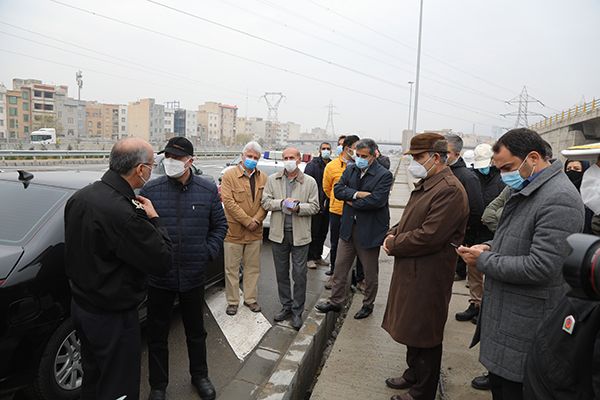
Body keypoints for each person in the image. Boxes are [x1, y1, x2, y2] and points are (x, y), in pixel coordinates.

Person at [457, 128, 585, 400]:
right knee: (501, 387)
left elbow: (542, 266)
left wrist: (484, 260)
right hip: (509, 317)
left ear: (533, 158)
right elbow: (518, 237)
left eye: (508, 167)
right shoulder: (530, 187)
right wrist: (489, 246)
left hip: (527, 324)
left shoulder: (559, 198)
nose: (504, 175)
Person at [64, 137, 172, 400]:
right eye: (151, 165)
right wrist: (154, 219)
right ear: (140, 169)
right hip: (112, 318)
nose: (152, 169)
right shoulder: (124, 213)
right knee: (118, 387)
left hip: (82, 308)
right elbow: (162, 260)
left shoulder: (80, 198)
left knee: (93, 379)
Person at [381, 133, 469, 400]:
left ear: (437, 158)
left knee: (426, 332)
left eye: (419, 157)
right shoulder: (430, 183)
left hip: (429, 274)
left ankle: (423, 390)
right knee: (412, 326)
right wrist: (393, 232)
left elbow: (430, 235)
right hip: (414, 269)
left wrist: (395, 243)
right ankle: (413, 374)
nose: (414, 163)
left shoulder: (449, 190)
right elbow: (410, 218)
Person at [141, 137, 228, 400]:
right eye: (167, 156)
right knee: (157, 334)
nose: (171, 162)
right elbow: (142, 231)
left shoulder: (207, 189)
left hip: (193, 274)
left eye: (177, 158)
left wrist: (207, 252)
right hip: (160, 277)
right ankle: (158, 386)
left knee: (196, 331)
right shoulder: (151, 190)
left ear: (190, 161)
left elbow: (220, 226)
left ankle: (200, 375)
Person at [315, 139, 394, 319]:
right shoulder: (351, 169)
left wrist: (351, 201)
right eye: (357, 155)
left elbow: (377, 201)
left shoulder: (384, 175)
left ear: (373, 155)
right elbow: (338, 190)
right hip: (348, 227)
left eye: (364, 156)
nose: (360, 159)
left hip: (369, 230)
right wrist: (358, 195)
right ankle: (335, 301)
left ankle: (368, 304)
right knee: (340, 267)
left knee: (369, 272)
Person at [262, 147, 319, 330]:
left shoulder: (309, 182)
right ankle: (286, 305)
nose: (288, 161)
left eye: (291, 157)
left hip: (300, 235)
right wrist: (281, 203)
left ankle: (297, 311)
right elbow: (265, 202)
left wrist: (298, 207)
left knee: (299, 275)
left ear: (299, 159)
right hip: (278, 234)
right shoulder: (273, 179)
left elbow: (315, 207)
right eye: (285, 158)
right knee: (281, 273)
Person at [456, 143, 505, 324]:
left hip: (493, 232)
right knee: (474, 271)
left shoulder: (502, 179)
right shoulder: (473, 177)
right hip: (475, 230)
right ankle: (475, 303)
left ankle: (487, 308)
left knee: (490, 273)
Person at [220, 141, 268, 316]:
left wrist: (257, 220)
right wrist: (248, 221)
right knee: (231, 269)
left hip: (255, 232)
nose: (252, 160)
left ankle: (250, 299)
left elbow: (266, 202)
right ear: (242, 156)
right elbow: (229, 202)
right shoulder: (229, 175)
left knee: (253, 268)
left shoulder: (263, 177)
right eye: (249, 156)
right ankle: (233, 302)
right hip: (234, 232)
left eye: (255, 157)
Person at [322, 135, 361, 288]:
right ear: (347, 149)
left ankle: (355, 277)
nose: (358, 151)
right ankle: (334, 273)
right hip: (337, 210)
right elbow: (327, 188)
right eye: (356, 148)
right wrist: (336, 199)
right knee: (335, 244)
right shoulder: (332, 166)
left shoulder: (360, 165)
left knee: (356, 244)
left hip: (356, 211)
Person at [445, 133, 484, 282]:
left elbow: (476, 208)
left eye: (446, 152)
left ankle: (459, 271)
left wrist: (466, 228)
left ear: (457, 154)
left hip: (460, 230)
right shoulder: (443, 172)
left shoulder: (467, 177)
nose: (442, 156)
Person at [304, 142, 332, 269]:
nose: (326, 150)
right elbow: (307, 185)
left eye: (328, 149)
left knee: (323, 232)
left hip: (328, 205)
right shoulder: (312, 165)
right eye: (323, 148)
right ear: (319, 150)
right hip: (315, 203)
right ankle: (309, 257)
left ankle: (318, 256)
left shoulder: (331, 165)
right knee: (313, 232)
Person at [564, 159, 594, 234]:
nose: (572, 171)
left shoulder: (593, 194)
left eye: (576, 169)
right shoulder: (561, 192)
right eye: (568, 169)